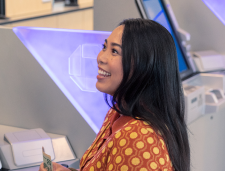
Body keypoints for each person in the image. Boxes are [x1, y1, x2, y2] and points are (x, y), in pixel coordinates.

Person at [40, 19, 190, 171]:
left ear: (143, 66)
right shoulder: (117, 112)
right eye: (104, 47)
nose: (100, 57)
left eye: (114, 51)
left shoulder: (138, 137)